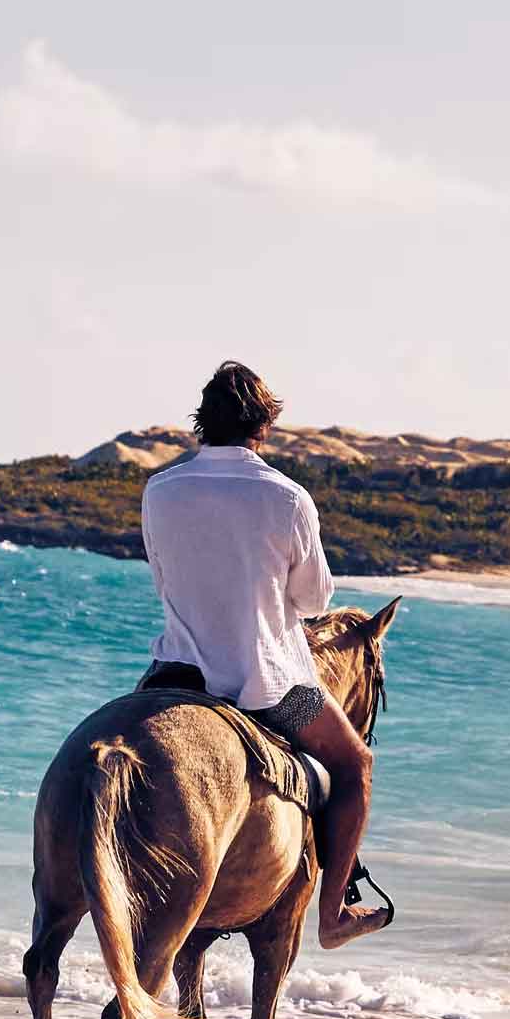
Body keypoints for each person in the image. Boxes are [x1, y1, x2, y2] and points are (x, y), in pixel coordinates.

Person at [136, 361, 387, 950]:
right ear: (264, 426)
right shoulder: (287, 498)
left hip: (173, 676)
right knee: (355, 768)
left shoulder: (160, 489)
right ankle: (333, 916)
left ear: (203, 422)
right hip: (270, 686)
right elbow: (313, 599)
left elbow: (163, 575)